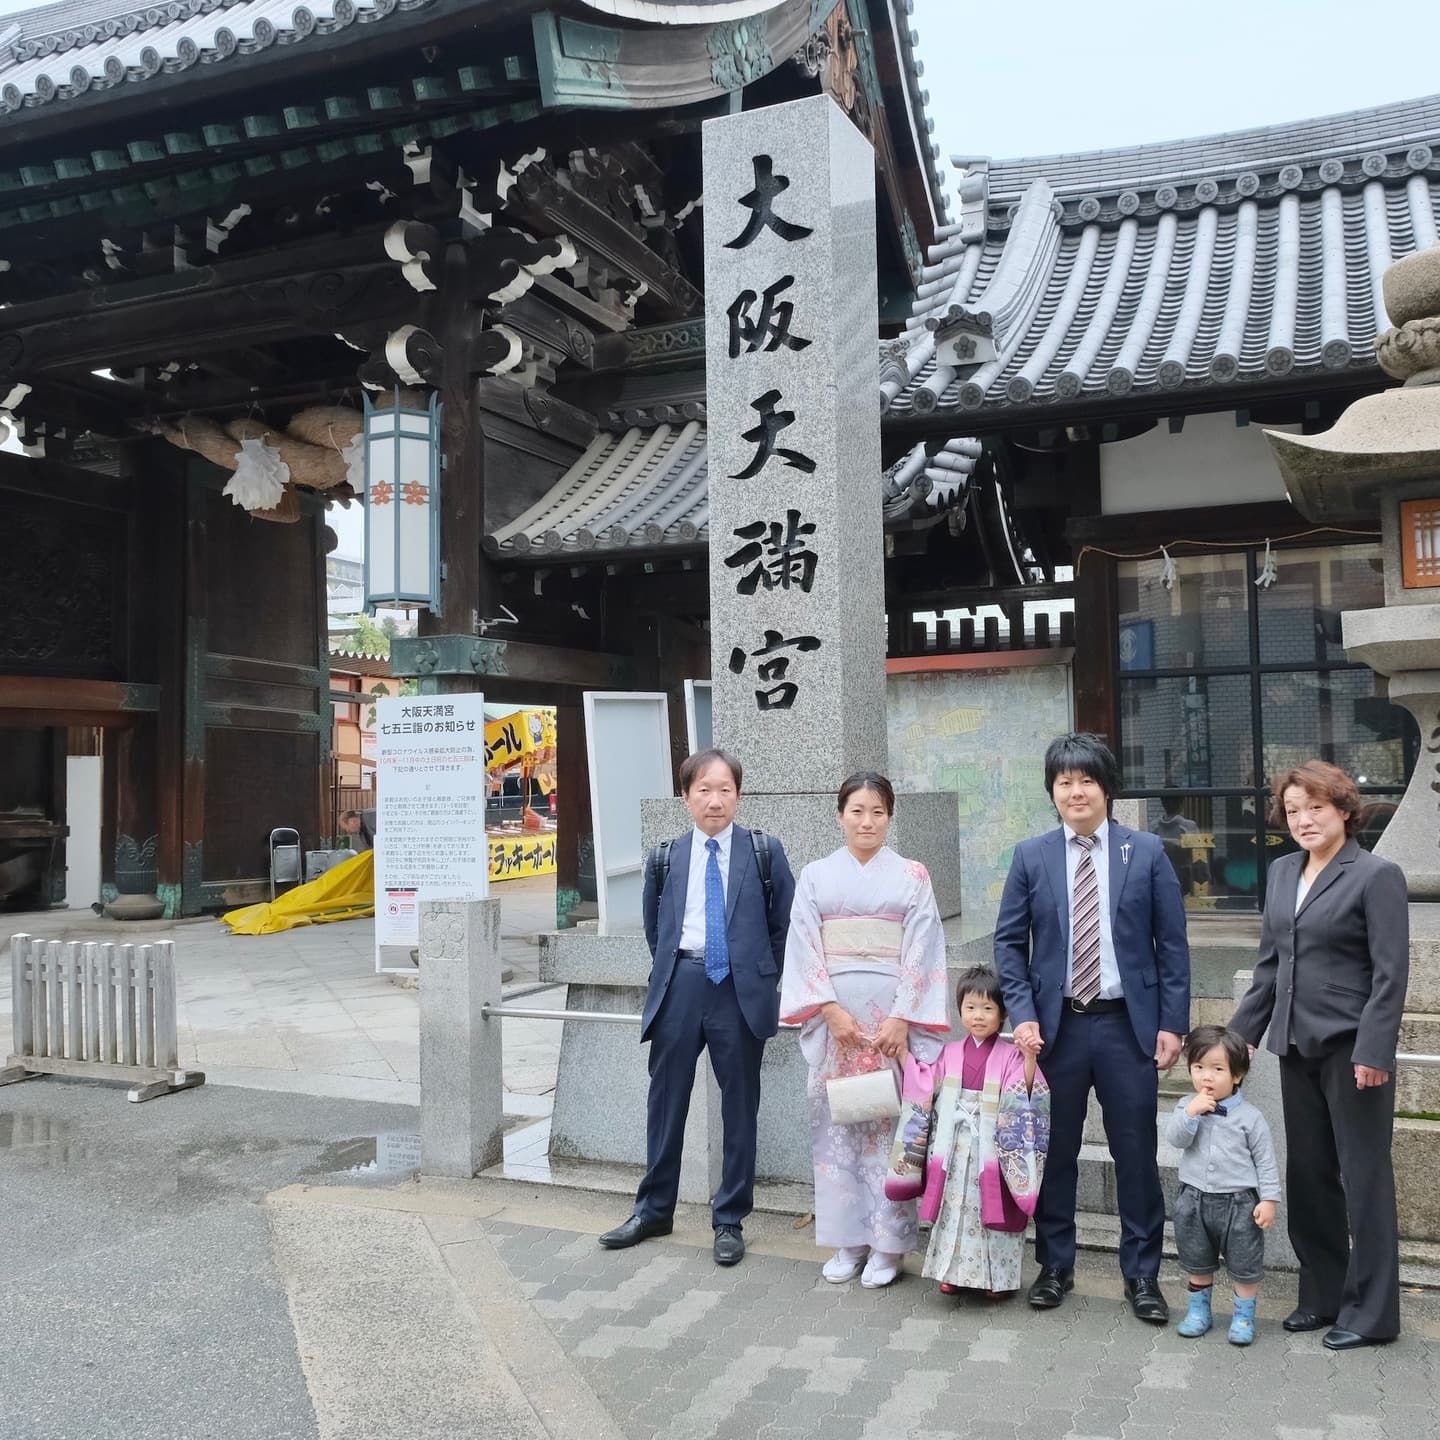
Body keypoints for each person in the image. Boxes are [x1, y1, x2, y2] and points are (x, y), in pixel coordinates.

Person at [994, 732, 1190, 1323]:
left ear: (1107, 788)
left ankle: (1143, 1275)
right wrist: (1024, 1016)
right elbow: (1009, 944)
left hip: (1127, 1027)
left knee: (1136, 1152)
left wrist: (1172, 1025)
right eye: (1064, 782)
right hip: (1057, 1032)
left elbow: (1172, 947)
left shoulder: (1147, 851)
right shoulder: (1031, 856)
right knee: (1056, 1152)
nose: (1075, 791)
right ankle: (1055, 1265)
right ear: (1052, 792)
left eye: (1086, 780)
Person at [1230, 761, 1409, 1351]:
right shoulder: (1283, 872)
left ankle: (1373, 1314)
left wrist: (1375, 1049)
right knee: (1308, 1176)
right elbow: (1270, 965)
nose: (1304, 819)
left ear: (1344, 811)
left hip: (1354, 1052)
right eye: (1294, 809)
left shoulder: (1376, 875)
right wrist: (1237, 1041)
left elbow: (1390, 975)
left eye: (1316, 808)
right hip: (1295, 1045)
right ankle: (1323, 1297)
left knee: (1364, 1180)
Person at [598, 748, 795, 1267]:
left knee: (739, 1107)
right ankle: (653, 1210)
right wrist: (680, 966)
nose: (715, 800)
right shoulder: (667, 856)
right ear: (685, 797)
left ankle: (729, 1218)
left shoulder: (764, 853)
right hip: (681, 984)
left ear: (739, 795)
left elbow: (782, 927)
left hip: (739, 990)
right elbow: (653, 928)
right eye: (703, 790)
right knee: (666, 1102)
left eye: (725, 789)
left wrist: (757, 976)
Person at [780, 771, 950, 1290]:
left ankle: (889, 1245)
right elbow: (804, 945)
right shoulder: (814, 876)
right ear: (839, 815)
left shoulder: (913, 876)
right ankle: (848, 1239)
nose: (867, 821)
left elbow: (923, 947)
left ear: (889, 816)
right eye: (857, 810)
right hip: (837, 1026)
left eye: (877, 811)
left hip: (889, 1026)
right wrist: (828, 1011)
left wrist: (902, 1017)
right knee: (836, 1133)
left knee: (891, 1131)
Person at [919, 966, 1049, 1300]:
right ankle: (953, 1273)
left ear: (1003, 1014)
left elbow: (1027, 1093)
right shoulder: (949, 1052)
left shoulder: (1009, 1055)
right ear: (959, 1010)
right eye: (971, 1008)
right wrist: (906, 1059)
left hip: (993, 1148)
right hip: (956, 1146)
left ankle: (998, 1279)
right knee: (956, 1210)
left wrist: (1030, 1057)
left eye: (988, 1008)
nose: (978, 1016)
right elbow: (926, 1087)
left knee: (994, 1210)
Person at [1164, 1025, 1280, 1346]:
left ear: (1238, 1075)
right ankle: (1199, 1312)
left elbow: (1266, 1161)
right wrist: (1190, 1113)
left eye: (1218, 1069)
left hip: (1239, 1203)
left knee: (1244, 1263)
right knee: (1198, 1260)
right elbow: (1176, 1138)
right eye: (1199, 1068)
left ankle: (1243, 1316)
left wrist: (1268, 1199)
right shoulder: (1187, 1106)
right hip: (1194, 1199)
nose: (1207, 1077)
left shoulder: (1251, 1118)